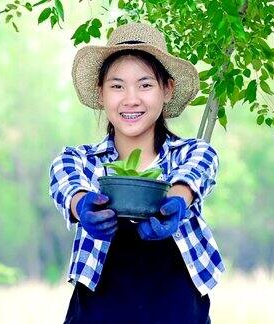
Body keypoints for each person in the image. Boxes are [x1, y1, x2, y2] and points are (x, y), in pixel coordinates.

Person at [49, 22, 225, 324]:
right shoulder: (81, 160)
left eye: (145, 85)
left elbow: (199, 170)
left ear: (167, 89)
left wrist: (177, 203)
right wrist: (83, 206)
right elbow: (65, 181)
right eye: (117, 86)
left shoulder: (189, 154)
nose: (131, 99)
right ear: (101, 93)